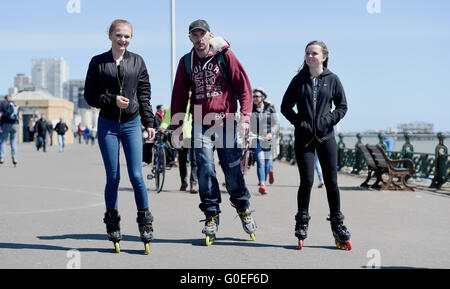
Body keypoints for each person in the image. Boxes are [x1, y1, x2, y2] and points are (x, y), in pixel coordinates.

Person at [171, 19, 257, 243]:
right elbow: (179, 96)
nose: (199, 39)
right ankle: (211, 214)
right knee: (205, 169)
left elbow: (243, 87)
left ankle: (243, 208)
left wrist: (246, 116)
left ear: (210, 35)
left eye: (202, 35)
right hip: (200, 123)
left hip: (226, 121)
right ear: (190, 38)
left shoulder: (225, 56)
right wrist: (177, 127)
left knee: (232, 171)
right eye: (194, 35)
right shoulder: (186, 62)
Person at [84, 19, 156, 253]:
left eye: (127, 36)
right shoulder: (98, 62)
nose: (123, 40)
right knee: (113, 176)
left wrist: (149, 122)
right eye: (119, 35)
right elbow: (90, 95)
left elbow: (144, 93)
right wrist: (111, 99)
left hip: (132, 124)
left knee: (136, 176)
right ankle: (112, 222)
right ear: (110, 36)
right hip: (108, 125)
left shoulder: (137, 61)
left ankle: (145, 222)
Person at [281, 40, 351, 250]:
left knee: (332, 182)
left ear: (324, 57)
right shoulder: (299, 80)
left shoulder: (333, 79)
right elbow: (286, 107)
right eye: (307, 53)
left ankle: (338, 225)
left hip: (326, 137)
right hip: (304, 138)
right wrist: (300, 123)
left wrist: (326, 121)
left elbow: (342, 106)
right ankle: (302, 223)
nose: (310, 57)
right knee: (307, 181)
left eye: (314, 53)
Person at [250, 88, 279, 195]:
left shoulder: (270, 109)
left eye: (257, 96)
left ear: (263, 97)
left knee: (267, 163)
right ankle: (262, 183)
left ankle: (265, 179)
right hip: (256, 139)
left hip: (268, 139)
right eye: (254, 96)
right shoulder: (250, 108)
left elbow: (276, 123)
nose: (255, 98)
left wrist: (271, 133)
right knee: (261, 161)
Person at [0, 95, 20, 166]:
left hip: (5, 124)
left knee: (3, 140)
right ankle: (15, 157)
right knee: (13, 141)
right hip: (15, 124)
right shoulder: (15, 104)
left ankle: (2, 157)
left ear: (5, 98)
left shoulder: (3, 103)